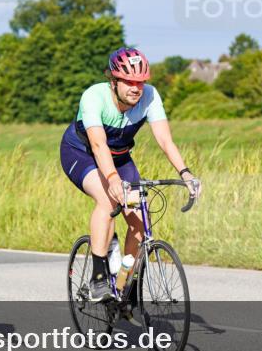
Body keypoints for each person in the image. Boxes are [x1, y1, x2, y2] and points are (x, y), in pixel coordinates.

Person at [60, 48, 199, 302]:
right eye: (130, 82)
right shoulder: (94, 96)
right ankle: (99, 278)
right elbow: (99, 145)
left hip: (120, 157)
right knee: (108, 200)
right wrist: (112, 180)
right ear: (113, 81)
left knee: (139, 219)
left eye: (141, 82)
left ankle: (125, 283)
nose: (137, 88)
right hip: (82, 154)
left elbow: (165, 140)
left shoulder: (150, 96)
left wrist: (185, 173)